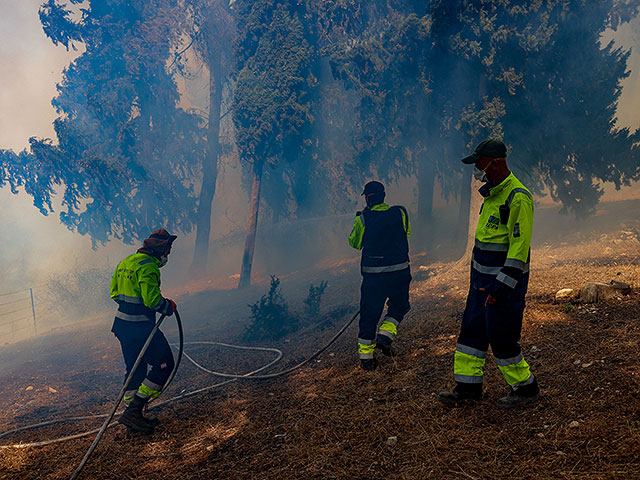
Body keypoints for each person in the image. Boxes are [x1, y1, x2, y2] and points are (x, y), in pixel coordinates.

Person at [438, 139, 540, 409]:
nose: (477, 171)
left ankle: (526, 389)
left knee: (502, 337)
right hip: (480, 285)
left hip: (503, 287)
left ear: (496, 162)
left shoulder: (517, 197)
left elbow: (518, 251)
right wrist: (477, 283)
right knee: (471, 333)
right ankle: (468, 389)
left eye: (480, 164)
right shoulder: (492, 194)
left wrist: (500, 288)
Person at [110, 228, 178, 433]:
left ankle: (134, 418)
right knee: (165, 364)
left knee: (135, 369)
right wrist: (167, 306)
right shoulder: (149, 267)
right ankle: (134, 410)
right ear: (161, 249)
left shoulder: (126, 262)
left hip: (122, 326)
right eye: (168, 250)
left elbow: (114, 293)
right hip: (141, 327)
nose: (168, 254)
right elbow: (152, 300)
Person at [349, 181, 412, 371]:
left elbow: (354, 243)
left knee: (369, 315)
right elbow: (406, 233)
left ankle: (367, 359)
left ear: (367, 198)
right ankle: (385, 337)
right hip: (400, 274)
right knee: (400, 306)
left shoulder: (363, 219)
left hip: (374, 279)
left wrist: (360, 223)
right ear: (384, 195)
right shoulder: (400, 212)